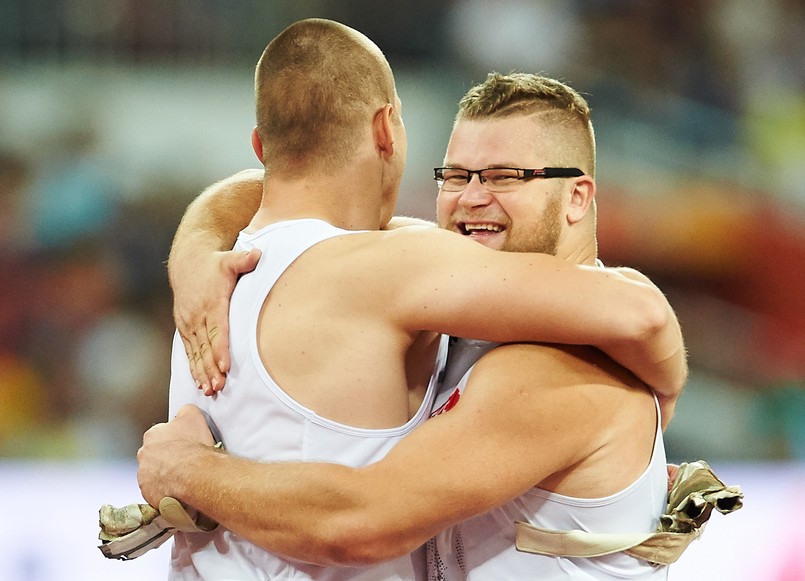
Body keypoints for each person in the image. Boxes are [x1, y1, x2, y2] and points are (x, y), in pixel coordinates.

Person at [137, 58, 687, 580]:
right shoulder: (453, 286)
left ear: (576, 198)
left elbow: (356, 524)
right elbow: (288, 186)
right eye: (456, 175)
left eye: (502, 176)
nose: (471, 198)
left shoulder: (564, 370)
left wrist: (187, 470)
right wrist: (194, 252)